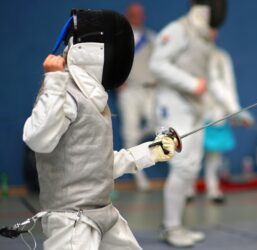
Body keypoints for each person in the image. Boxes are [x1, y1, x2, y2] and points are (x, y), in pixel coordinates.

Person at [22, 9, 176, 250]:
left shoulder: (94, 98)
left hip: (105, 215)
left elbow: (97, 165)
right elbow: (37, 139)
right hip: (72, 223)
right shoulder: (64, 91)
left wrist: (152, 152)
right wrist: (53, 83)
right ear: (93, 52)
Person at [150, 0, 227, 247]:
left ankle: (177, 225)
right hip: (172, 106)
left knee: (192, 167)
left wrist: (233, 110)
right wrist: (192, 84)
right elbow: (157, 63)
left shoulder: (203, 39)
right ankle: (171, 228)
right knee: (182, 166)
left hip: (193, 108)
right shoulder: (179, 29)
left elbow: (210, 79)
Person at [202, 29, 254, 204]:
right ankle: (187, 190)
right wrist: (236, 110)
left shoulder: (222, 56)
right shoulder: (192, 56)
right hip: (196, 112)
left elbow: (228, 86)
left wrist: (236, 112)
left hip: (218, 112)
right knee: (190, 156)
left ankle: (213, 188)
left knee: (214, 154)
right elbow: (213, 85)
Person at [117, 3, 157, 191]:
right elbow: (110, 61)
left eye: (140, 14)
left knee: (157, 125)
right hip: (130, 91)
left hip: (150, 91)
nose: (137, 17)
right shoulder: (120, 38)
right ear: (127, 15)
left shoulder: (151, 38)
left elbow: (160, 63)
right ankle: (139, 177)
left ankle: (146, 152)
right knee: (130, 132)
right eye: (133, 14)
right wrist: (117, 82)